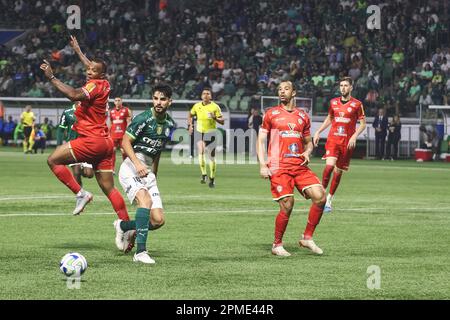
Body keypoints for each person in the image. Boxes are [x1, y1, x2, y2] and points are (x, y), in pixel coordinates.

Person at [40, 36, 133, 252]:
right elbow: (93, 67)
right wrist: (79, 51)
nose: (88, 70)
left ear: (99, 75)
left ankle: (81, 193)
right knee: (109, 188)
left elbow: (73, 95)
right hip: (106, 142)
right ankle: (126, 227)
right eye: (88, 68)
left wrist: (52, 77)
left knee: (53, 160)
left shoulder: (93, 86)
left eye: (92, 70)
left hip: (91, 140)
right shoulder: (105, 82)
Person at [256, 81, 326, 257]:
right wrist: (263, 164)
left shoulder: (303, 116)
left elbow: (308, 143)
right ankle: (277, 245)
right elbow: (261, 140)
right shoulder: (271, 114)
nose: (282, 91)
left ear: (294, 92)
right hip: (279, 166)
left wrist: (308, 152)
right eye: (279, 89)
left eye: (286, 89)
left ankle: (307, 237)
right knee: (287, 204)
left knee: (320, 197)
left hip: (299, 166)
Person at [115, 83, 175, 264]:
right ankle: (140, 252)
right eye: (156, 98)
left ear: (169, 102)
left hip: (147, 171)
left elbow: (157, 151)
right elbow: (125, 142)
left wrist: (154, 173)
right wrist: (137, 164)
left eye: (163, 99)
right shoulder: (143, 118)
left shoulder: (170, 124)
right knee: (145, 201)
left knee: (157, 221)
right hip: (131, 167)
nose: (158, 102)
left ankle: (123, 226)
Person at [313, 77, 366, 213]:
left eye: (346, 85)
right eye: (341, 85)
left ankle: (329, 199)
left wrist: (354, 135)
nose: (343, 88)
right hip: (333, 140)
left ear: (351, 88)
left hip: (347, 143)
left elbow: (363, 124)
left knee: (338, 171)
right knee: (329, 166)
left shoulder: (357, 104)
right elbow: (330, 118)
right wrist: (318, 131)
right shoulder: (333, 102)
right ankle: (322, 195)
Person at [188, 87, 225, 188]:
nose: (206, 95)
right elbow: (190, 115)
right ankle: (204, 174)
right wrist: (190, 125)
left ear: (211, 96)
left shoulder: (215, 107)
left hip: (211, 133)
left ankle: (212, 178)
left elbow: (222, 121)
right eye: (204, 93)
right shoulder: (197, 106)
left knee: (211, 156)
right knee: (201, 151)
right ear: (201, 96)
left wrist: (214, 118)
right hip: (200, 132)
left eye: (208, 93)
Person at [58, 102, 95, 186]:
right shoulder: (67, 112)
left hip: (86, 145)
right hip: (72, 145)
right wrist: (59, 144)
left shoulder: (89, 111)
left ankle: (81, 166)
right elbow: (61, 129)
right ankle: (81, 194)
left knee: (89, 174)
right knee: (76, 172)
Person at [109, 97, 132, 171]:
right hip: (113, 135)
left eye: (119, 100)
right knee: (112, 151)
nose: (117, 102)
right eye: (116, 100)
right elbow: (111, 123)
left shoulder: (126, 110)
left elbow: (129, 123)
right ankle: (112, 169)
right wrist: (108, 133)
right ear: (114, 102)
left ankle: (126, 168)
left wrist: (128, 133)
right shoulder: (111, 111)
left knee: (124, 152)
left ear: (121, 101)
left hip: (122, 135)